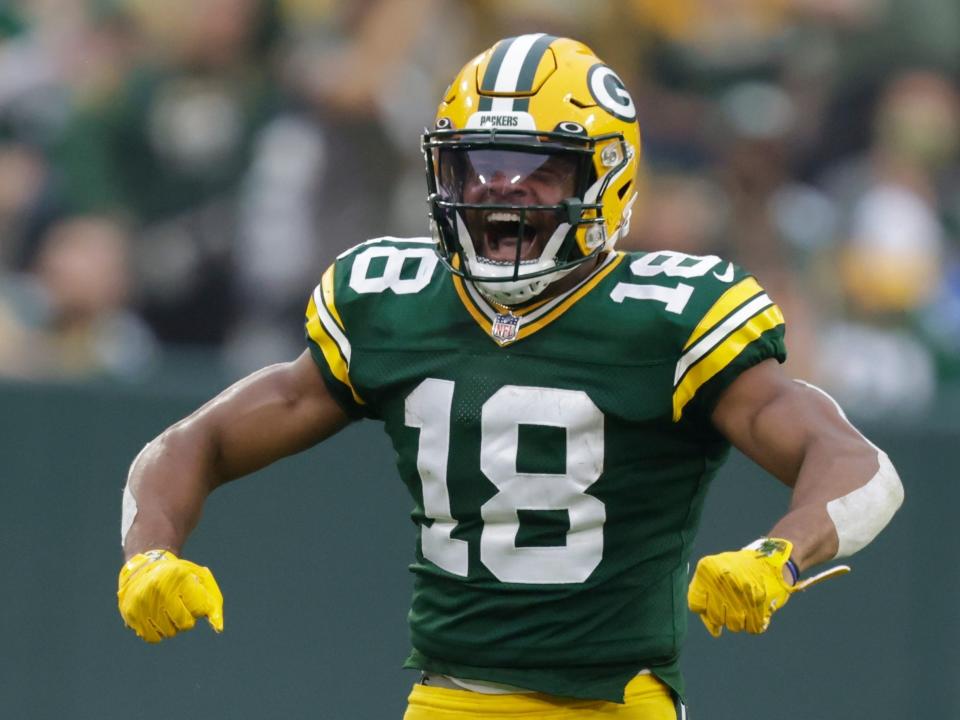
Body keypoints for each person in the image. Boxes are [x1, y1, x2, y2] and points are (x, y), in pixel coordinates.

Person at [116, 35, 904, 719]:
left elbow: (857, 464)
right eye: (478, 166)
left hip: (613, 705)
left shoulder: (667, 315)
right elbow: (197, 441)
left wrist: (781, 554)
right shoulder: (394, 300)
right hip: (445, 698)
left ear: (606, 180)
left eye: (538, 171)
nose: (500, 191)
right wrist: (149, 552)